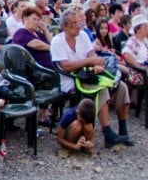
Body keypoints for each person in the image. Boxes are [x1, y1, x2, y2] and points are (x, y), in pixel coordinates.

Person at [50, 8, 131, 148]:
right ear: (64, 26)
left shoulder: (83, 36)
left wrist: (96, 62)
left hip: (88, 74)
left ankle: (123, 128)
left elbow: (91, 53)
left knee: (122, 86)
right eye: (73, 24)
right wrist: (89, 62)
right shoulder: (57, 41)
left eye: (78, 23)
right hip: (70, 78)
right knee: (102, 90)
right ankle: (107, 132)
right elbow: (66, 66)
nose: (77, 27)